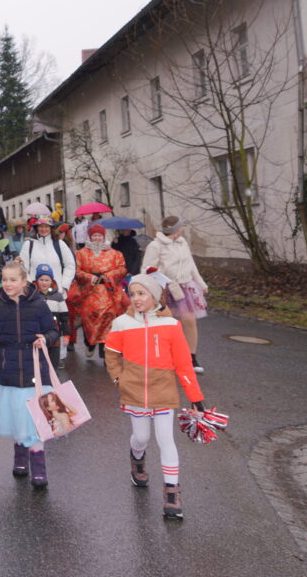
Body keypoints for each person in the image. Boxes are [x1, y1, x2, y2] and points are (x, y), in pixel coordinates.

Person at [105, 274, 206, 520]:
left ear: (155, 296)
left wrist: (195, 397)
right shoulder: (122, 323)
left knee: (165, 440)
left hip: (163, 392)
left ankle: (172, 492)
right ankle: (137, 459)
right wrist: (120, 380)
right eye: (133, 294)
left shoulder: (171, 325)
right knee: (141, 437)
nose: (136, 299)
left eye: (142, 293)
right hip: (134, 391)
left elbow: (183, 364)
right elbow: (111, 354)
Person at [0, 259, 60, 490]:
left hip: (36, 374)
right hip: (10, 373)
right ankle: (20, 459)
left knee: (36, 422)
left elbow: (53, 329)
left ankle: (39, 470)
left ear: (24, 282)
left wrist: (47, 338)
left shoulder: (38, 304)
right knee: (18, 417)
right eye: (4, 280)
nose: (8, 284)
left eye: (13, 280)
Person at [142, 216, 210, 373]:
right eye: (180, 226)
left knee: (189, 321)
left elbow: (191, 265)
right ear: (175, 230)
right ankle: (164, 358)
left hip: (184, 288)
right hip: (165, 289)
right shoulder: (155, 246)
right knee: (166, 325)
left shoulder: (182, 243)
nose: (183, 229)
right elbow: (146, 268)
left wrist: (201, 283)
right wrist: (155, 282)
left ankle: (191, 358)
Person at [72, 223, 128, 363]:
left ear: (103, 237)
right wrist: (90, 277)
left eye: (99, 236)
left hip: (109, 292)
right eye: (94, 235)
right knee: (89, 318)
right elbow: (77, 271)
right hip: (89, 291)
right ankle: (89, 343)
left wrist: (108, 275)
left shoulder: (115, 254)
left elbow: (122, 269)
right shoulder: (81, 253)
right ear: (90, 237)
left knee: (109, 319)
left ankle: (105, 353)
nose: (97, 238)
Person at [20, 218, 75, 302]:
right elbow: (22, 268)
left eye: (46, 227)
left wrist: (64, 285)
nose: (43, 229)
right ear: (36, 228)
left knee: (56, 315)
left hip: (57, 293)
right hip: (34, 294)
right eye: (41, 226)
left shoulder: (60, 244)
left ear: (51, 228)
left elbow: (70, 265)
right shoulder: (28, 245)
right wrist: (29, 286)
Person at [33, 264, 70, 368]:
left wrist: (66, 335)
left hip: (55, 335)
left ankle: (53, 383)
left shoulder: (58, 296)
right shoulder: (32, 295)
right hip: (37, 335)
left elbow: (64, 317)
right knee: (38, 364)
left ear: (51, 281)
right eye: (41, 279)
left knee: (53, 365)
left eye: (47, 280)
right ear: (37, 280)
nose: (44, 283)